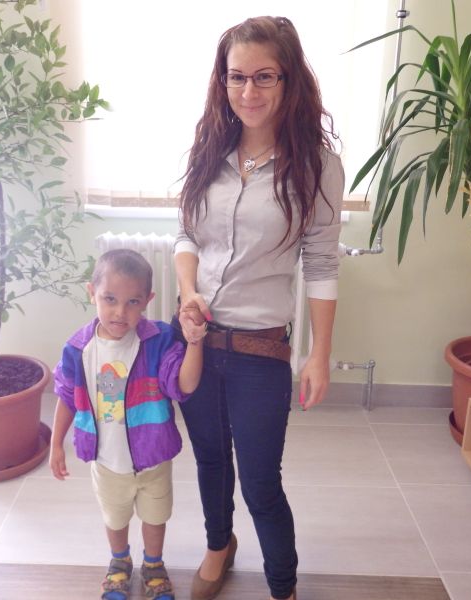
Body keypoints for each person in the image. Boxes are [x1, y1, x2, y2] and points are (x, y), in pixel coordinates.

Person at [173, 15, 344, 600]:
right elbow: (186, 235)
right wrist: (188, 291)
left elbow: (321, 265)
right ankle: (218, 545)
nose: (248, 91)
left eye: (264, 76)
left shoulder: (316, 166)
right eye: (237, 76)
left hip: (259, 349)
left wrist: (319, 355)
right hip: (196, 340)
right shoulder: (209, 150)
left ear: (289, 79)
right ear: (222, 81)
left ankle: (283, 586)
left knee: (261, 482)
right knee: (209, 461)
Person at [50, 249, 206, 600]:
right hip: (108, 463)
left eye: (132, 302)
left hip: (153, 459)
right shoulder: (78, 349)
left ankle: (153, 565)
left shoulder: (158, 340)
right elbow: (65, 396)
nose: (120, 312)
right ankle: (119, 562)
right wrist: (56, 443)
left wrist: (195, 342)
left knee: (155, 516)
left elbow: (184, 385)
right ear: (92, 292)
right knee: (115, 519)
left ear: (148, 300)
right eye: (110, 299)